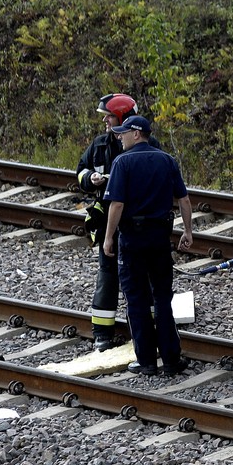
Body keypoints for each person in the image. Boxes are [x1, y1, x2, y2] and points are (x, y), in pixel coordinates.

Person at [101, 116, 194, 376]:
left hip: (132, 239)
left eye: (123, 133)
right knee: (163, 298)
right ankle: (172, 360)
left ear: (137, 134)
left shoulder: (123, 162)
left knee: (137, 299)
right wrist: (187, 231)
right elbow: (184, 200)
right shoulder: (166, 160)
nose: (119, 137)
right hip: (160, 238)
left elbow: (116, 205)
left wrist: (109, 237)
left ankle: (146, 361)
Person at [76, 93, 139, 351]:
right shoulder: (100, 144)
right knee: (107, 275)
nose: (105, 122)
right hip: (107, 224)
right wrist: (90, 178)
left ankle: (145, 329)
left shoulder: (143, 143)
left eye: (109, 117)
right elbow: (80, 169)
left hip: (135, 221)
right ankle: (102, 332)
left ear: (123, 118)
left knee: (139, 276)